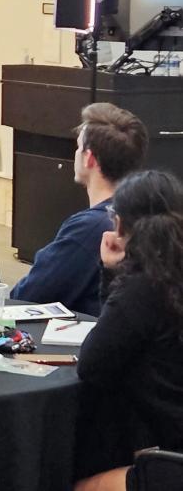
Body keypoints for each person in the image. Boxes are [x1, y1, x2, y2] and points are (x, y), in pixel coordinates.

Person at [73, 170, 183, 491]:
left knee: (71, 480)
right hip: (169, 443)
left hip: (171, 462)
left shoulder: (144, 288)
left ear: (119, 224)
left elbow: (93, 365)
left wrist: (111, 274)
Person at [12, 103, 147, 316]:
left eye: (78, 147)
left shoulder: (93, 227)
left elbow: (28, 297)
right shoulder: (150, 212)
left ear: (89, 158)